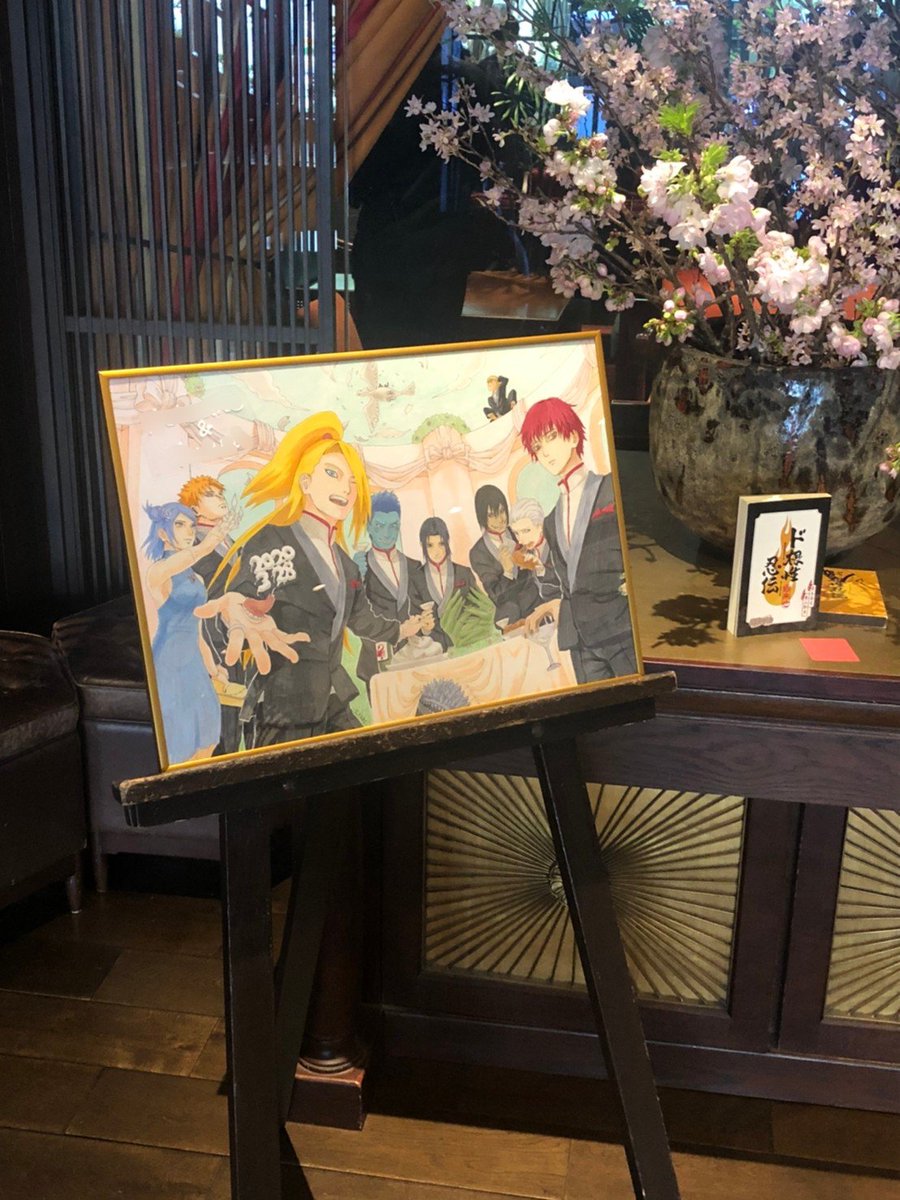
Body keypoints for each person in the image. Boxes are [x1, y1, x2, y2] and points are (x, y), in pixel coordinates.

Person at [203, 412, 424, 746]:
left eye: (353, 481)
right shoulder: (272, 541)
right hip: (283, 705)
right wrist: (234, 612)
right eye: (332, 474)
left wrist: (401, 630)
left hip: (332, 696)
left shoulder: (346, 566)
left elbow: (361, 618)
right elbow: (240, 600)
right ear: (305, 483)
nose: (346, 489)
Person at [519, 397, 637, 682]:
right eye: (538, 446)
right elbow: (564, 583)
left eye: (551, 437)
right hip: (581, 643)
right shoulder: (550, 520)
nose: (546, 452)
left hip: (620, 630)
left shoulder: (610, 488)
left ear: (572, 436)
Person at [142, 502, 232, 764]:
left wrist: (213, 669)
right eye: (180, 525)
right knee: (180, 744)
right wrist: (208, 544)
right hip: (168, 664)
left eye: (192, 525)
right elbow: (190, 556)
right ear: (162, 532)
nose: (189, 531)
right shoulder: (158, 571)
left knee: (208, 738)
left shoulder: (197, 579)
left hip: (194, 663)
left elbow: (198, 631)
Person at [178, 475, 243, 754]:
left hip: (240, 633)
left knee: (241, 712)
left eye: (220, 494)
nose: (220, 499)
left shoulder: (231, 540)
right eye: (210, 495)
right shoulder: (191, 546)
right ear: (194, 508)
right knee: (224, 718)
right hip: (212, 636)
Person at [355, 490, 431, 691]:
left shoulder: (414, 567)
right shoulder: (358, 568)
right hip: (378, 666)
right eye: (380, 526)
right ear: (368, 526)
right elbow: (355, 615)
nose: (387, 533)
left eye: (393, 526)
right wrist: (355, 579)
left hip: (417, 661)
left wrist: (426, 626)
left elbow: (425, 611)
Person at [468, 484, 533, 626]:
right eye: (492, 515)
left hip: (534, 599)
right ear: (482, 517)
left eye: (502, 511)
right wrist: (507, 572)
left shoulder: (518, 531)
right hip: (510, 611)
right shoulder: (478, 553)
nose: (500, 519)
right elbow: (496, 596)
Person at [410, 516, 477, 651]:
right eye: (430, 545)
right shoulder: (416, 579)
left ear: (448, 542)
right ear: (422, 545)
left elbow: (478, 609)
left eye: (441, 544)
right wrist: (425, 629)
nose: (437, 551)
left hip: (466, 642)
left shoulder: (464, 573)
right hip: (433, 649)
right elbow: (412, 620)